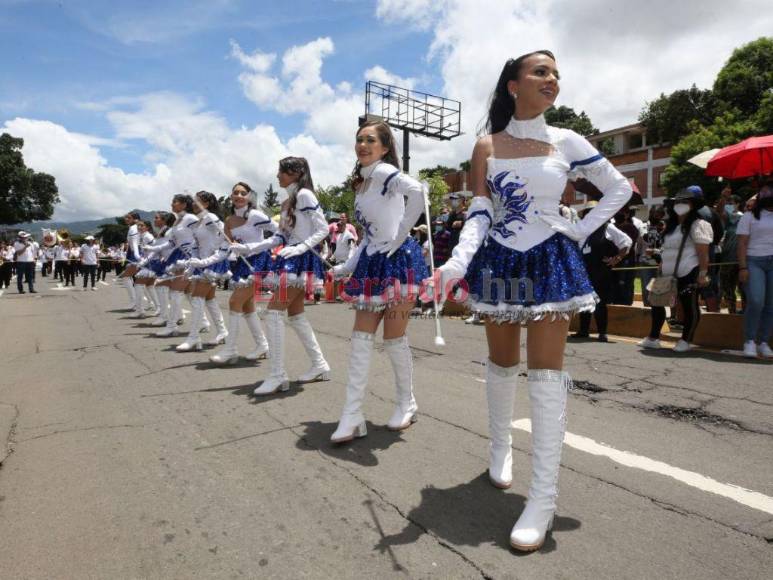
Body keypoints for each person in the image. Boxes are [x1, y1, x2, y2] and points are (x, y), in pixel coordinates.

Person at [434, 51, 631, 551]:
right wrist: (458, 261)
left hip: (550, 263)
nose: (552, 80)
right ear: (512, 85)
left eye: (556, 74)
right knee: (502, 365)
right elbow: (480, 209)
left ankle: (542, 497)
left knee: (546, 376)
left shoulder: (566, 140)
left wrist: (580, 230)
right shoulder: (486, 145)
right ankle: (500, 450)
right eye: (541, 72)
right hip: (500, 261)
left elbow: (618, 187)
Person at [328, 121, 428, 442]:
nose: (362, 144)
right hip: (372, 263)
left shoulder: (384, 172)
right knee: (360, 338)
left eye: (370, 140)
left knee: (393, 338)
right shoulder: (362, 185)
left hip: (399, 262)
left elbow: (418, 192)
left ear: (384, 147)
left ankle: (406, 402)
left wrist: (400, 236)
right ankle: (352, 414)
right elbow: (368, 239)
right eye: (359, 139)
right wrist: (345, 267)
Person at [230, 157, 330, 395]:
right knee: (295, 317)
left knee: (273, 313)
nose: (277, 176)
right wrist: (248, 248)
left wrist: (301, 247)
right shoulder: (287, 203)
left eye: (281, 172)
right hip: (290, 257)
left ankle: (277, 375)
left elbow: (323, 228)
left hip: (301, 260)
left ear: (295, 172)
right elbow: (279, 238)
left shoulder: (305, 195)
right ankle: (319, 364)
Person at [210, 182, 277, 365]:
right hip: (242, 264)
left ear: (249, 197)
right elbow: (225, 249)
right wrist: (203, 263)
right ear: (231, 196)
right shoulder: (229, 221)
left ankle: (230, 350)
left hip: (258, 261)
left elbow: (279, 232)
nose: (239, 195)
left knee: (235, 301)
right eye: (235, 193)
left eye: (243, 193)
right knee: (247, 305)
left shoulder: (255, 215)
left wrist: (257, 248)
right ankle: (262, 345)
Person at [639, 187, 712, 352]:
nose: (680, 205)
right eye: (678, 202)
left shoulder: (699, 224)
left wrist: (702, 274)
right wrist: (659, 259)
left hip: (689, 271)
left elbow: (703, 253)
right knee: (656, 303)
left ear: (693, 205)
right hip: (666, 271)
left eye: (685, 202)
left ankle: (686, 340)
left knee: (688, 305)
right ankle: (653, 337)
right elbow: (668, 249)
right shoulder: (671, 226)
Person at [174, 191, 230, 352]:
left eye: (197, 201)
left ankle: (193, 338)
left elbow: (225, 236)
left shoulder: (212, 218)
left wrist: (216, 253)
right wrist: (190, 267)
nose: (193, 203)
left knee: (197, 298)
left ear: (206, 203)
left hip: (213, 263)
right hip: (201, 264)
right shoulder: (200, 222)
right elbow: (195, 248)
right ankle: (222, 331)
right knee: (209, 299)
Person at [571, 201, 632, 341]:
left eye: (593, 212)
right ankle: (584, 330)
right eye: (587, 213)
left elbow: (626, 242)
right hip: (583, 269)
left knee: (600, 302)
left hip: (600, 271)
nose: (590, 215)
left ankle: (602, 332)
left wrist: (616, 258)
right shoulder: (581, 229)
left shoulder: (607, 227)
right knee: (584, 301)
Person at [152, 195, 201, 338]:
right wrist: (152, 248)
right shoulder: (177, 221)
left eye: (175, 202)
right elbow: (172, 243)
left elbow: (203, 233)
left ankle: (172, 326)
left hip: (189, 257)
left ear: (184, 204)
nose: (172, 204)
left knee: (176, 292)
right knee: (191, 294)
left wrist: (196, 252)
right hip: (178, 255)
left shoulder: (191, 218)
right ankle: (205, 323)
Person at [737, 183, 773, 358]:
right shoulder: (749, 216)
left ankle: (763, 341)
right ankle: (749, 340)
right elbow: (742, 243)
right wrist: (743, 266)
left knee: (771, 305)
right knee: (756, 301)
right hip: (754, 261)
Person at [610, 206, 639, 305]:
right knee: (615, 285)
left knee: (625, 285)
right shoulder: (612, 226)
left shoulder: (631, 227)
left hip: (626, 261)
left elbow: (628, 245)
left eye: (621, 212)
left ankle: (626, 305)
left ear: (627, 214)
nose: (617, 214)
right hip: (613, 261)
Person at [639, 205, 665, 306]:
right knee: (646, 288)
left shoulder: (665, 228)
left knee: (659, 289)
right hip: (645, 262)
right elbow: (645, 239)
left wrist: (662, 231)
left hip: (660, 263)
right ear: (650, 213)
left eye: (660, 215)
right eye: (656, 214)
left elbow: (665, 245)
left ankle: (657, 309)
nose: (657, 216)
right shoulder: (644, 226)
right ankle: (647, 309)